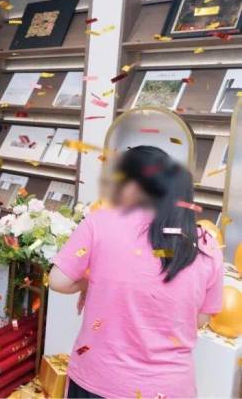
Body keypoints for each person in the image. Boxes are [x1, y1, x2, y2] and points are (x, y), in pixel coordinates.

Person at [49, 146, 223, 398]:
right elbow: (199, 319)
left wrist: (89, 282)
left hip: (100, 380)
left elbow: (58, 280)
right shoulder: (206, 243)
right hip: (170, 388)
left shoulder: (100, 222)